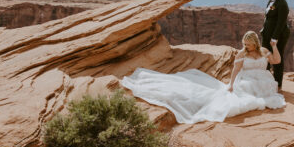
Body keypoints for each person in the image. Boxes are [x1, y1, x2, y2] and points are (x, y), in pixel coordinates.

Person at [121, 31, 284, 124]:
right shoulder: (242, 53)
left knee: (264, 92)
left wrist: (274, 47)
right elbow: (236, 70)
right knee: (244, 93)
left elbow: (276, 61)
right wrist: (231, 84)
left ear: (255, 43)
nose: (245, 46)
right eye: (244, 44)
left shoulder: (263, 51)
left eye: (248, 44)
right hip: (246, 80)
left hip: (264, 80)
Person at [261, 0, 290, 88]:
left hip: (278, 36)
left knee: (277, 57)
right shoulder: (270, 1)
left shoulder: (282, 3)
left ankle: (278, 84)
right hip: (267, 34)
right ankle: (267, 80)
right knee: (265, 56)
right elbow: (268, 18)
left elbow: (281, 22)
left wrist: (274, 38)